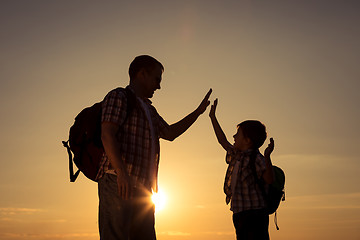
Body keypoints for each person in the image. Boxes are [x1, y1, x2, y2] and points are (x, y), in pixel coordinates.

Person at [97, 55, 212, 240]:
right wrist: (121, 173)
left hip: (142, 189)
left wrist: (198, 112)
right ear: (142, 74)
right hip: (117, 181)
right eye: (157, 79)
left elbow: (170, 133)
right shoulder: (118, 96)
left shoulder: (149, 110)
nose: (159, 86)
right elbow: (107, 134)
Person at [209, 98, 275, 240]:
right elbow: (222, 140)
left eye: (237, 134)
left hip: (255, 214)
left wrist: (267, 157)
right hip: (239, 213)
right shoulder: (237, 155)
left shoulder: (257, 158)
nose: (234, 136)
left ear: (248, 140)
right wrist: (212, 117)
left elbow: (269, 179)